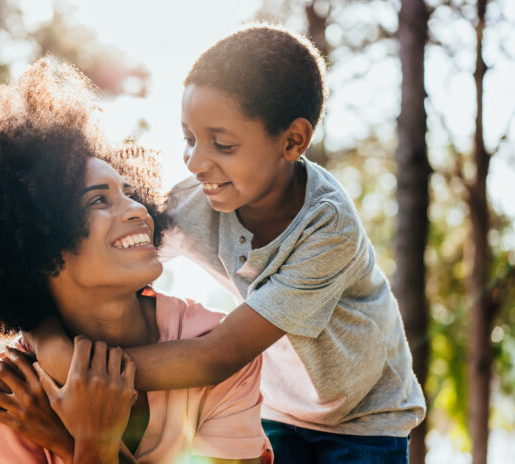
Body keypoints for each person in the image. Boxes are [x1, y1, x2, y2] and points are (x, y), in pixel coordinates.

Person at [24, 24, 426, 463]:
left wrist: (83, 372)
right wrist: (43, 335)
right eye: (190, 139)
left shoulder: (328, 229)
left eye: (222, 143)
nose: (196, 162)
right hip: (278, 409)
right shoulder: (193, 203)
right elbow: (90, 265)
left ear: (293, 141)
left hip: (364, 421)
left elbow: (218, 355)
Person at [0, 57, 271, 463]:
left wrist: (72, 440)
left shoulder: (211, 344)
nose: (137, 209)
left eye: (129, 192)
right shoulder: (9, 394)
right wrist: (91, 440)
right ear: (37, 242)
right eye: (98, 200)